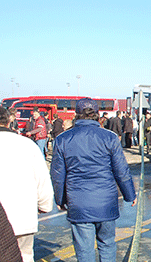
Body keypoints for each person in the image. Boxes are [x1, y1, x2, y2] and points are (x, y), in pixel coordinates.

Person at [50, 98, 137, 262]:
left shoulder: (62, 139)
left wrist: (60, 199)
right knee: (107, 244)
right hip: (105, 202)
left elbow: (57, 175)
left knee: (84, 250)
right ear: (97, 115)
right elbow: (121, 170)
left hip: (78, 202)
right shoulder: (109, 137)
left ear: (77, 115)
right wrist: (130, 195)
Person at [0, 107, 54, 262]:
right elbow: (42, 180)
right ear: (9, 120)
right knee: (24, 256)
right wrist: (45, 205)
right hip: (22, 217)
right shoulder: (27, 145)